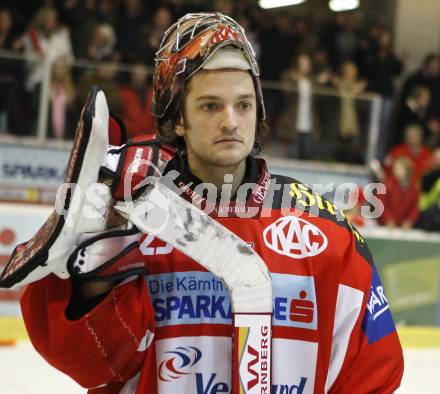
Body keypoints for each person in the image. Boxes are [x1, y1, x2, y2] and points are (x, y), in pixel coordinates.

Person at [11, 13, 403, 393]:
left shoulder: (325, 230)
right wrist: (93, 286)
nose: (231, 122)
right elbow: (92, 366)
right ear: (178, 119)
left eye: (244, 105)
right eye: (211, 106)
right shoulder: (129, 216)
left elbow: (372, 375)